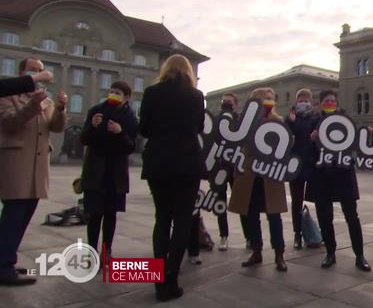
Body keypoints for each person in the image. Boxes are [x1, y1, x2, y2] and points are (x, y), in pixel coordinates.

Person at [139, 54, 205, 301]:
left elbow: (143, 128)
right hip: (187, 162)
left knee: (162, 218)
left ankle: (157, 280)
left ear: (165, 70)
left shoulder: (151, 92)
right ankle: (171, 277)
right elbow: (199, 126)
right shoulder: (196, 96)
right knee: (182, 219)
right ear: (188, 71)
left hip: (158, 162)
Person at [0, 58, 67, 286]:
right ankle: (3, 267)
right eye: (32, 71)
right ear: (22, 73)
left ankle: (6, 260)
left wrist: (60, 109)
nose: (38, 74)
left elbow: (56, 127)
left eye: (40, 70)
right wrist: (32, 105)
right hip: (16, 165)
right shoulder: (8, 96)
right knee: (13, 215)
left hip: (38, 169)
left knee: (23, 217)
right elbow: (9, 123)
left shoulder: (45, 100)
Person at [307, 90, 371, 271]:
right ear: (321, 103)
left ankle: (359, 255)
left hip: (343, 175)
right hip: (322, 177)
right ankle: (330, 253)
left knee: (352, 216)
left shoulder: (344, 120)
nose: (330, 103)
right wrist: (311, 139)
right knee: (325, 218)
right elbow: (307, 151)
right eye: (326, 100)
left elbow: (355, 143)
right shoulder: (314, 122)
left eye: (332, 100)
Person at [228, 87, 288, 272]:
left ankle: (279, 254)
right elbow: (236, 144)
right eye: (265, 99)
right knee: (251, 214)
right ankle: (256, 250)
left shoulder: (278, 121)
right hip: (249, 175)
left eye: (271, 99)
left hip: (270, 176)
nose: (269, 102)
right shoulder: (245, 122)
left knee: (274, 216)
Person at [79, 81, 137, 258]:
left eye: (117, 92)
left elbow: (131, 147)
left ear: (126, 97)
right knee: (94, 214)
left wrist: (120, 132)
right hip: (96, 171)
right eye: (111, 91)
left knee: (110, 215)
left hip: (115, 174)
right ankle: (91, 251)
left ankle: (107, 250)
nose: (113, 94)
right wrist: (93, 126)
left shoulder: (130, 118)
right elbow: (84, 139)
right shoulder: (96, 111)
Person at [213, 92, 250, 251]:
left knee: (241, 202)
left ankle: (249, 237)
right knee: (220, 202)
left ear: (235, 104)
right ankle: (223, 236)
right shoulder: (217, 120)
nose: (226, 104)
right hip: (220, 166)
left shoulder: (240, 121)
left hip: (235, 167)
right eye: (224, 102)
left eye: (229, 102)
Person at [285, 88, 316, 249]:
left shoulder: (314, 118)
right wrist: (290, 122)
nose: (303, 102)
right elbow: (285, 138)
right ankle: (297, 234)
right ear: (296, 102)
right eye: (300, 100)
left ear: (310, 102)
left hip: (311, 165)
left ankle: (316, 232)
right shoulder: (290, 117)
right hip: (295, 166)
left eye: (306, 100)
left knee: (318, 200)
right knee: (296, 201)